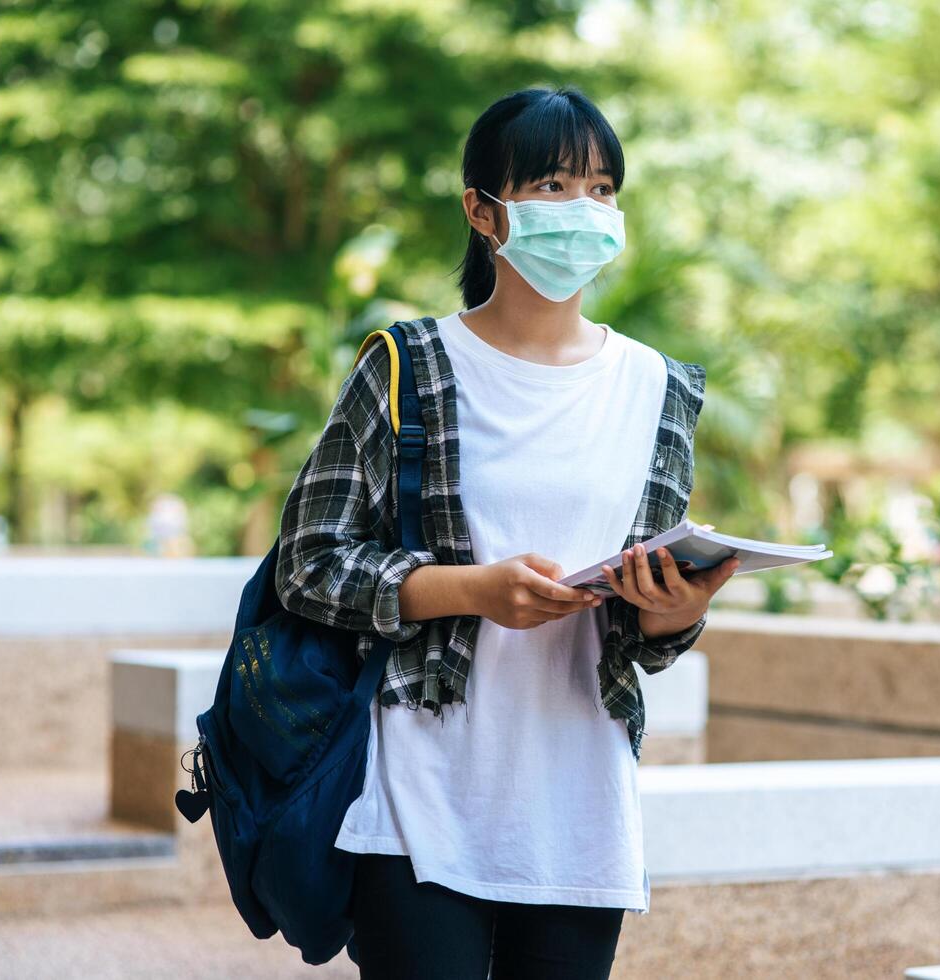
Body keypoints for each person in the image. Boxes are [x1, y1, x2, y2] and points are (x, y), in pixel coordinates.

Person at [275, 85, 739, 980]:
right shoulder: (405, 366)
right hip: (420, 789)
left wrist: (668, 613)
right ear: (481, 210)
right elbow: (308, 562)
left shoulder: (659, 389)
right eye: (553, 185)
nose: (583, 213)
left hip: (579, 802)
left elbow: (645, 642)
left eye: (602, 189)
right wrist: (469, 591)